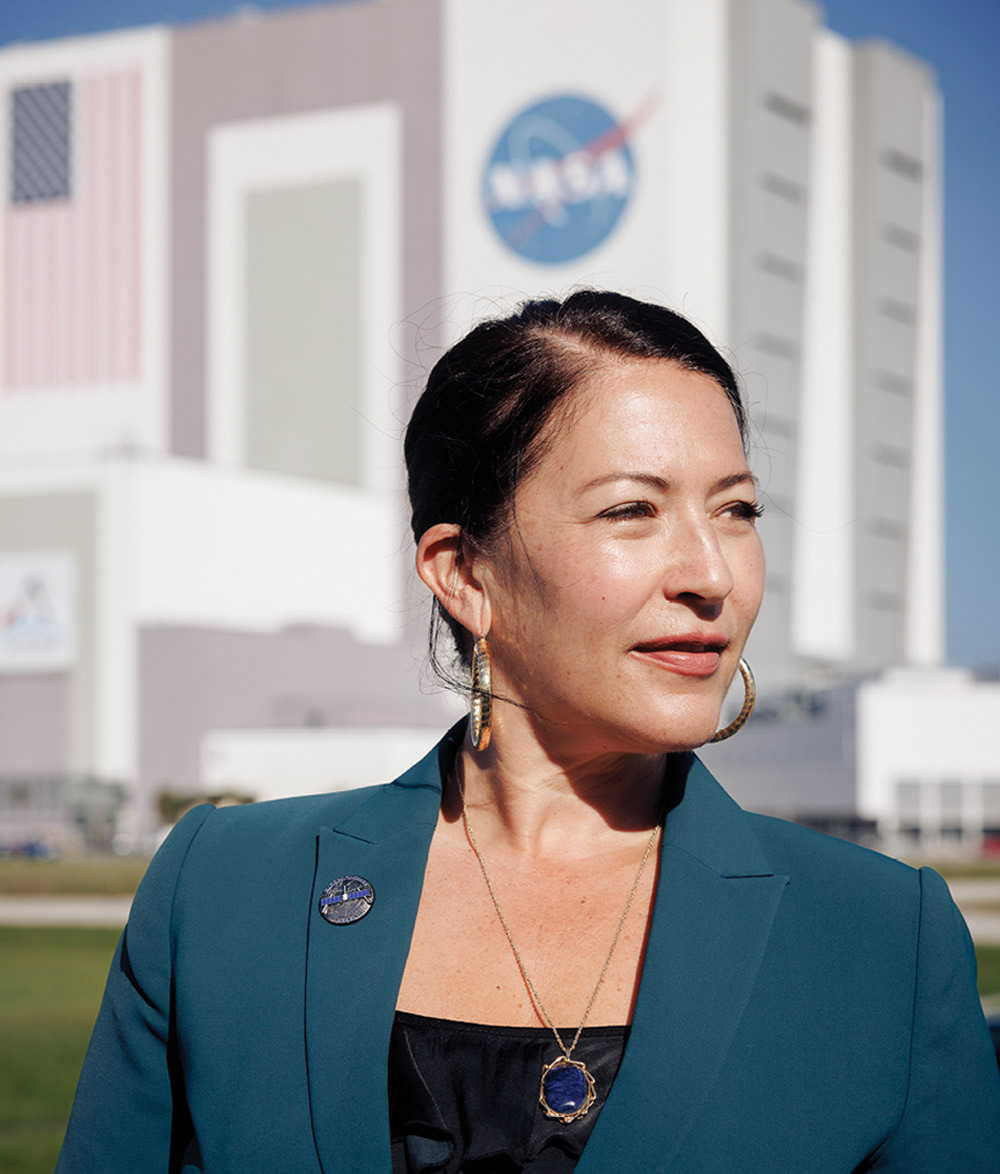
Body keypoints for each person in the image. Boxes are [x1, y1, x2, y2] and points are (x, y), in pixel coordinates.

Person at [57, 292, 999, 1173]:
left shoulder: (885, 944)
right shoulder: (219, 893)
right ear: (465, 573)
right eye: (633, 509)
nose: (713, 573)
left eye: (737, 510)